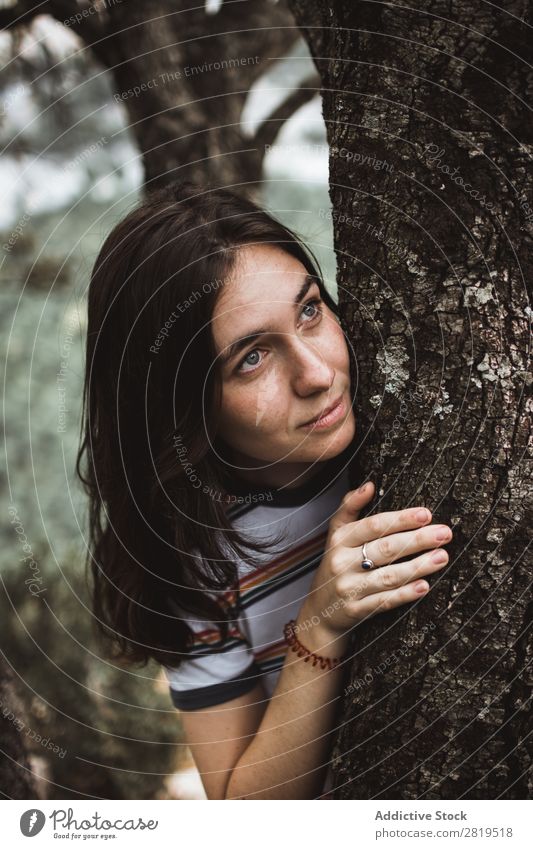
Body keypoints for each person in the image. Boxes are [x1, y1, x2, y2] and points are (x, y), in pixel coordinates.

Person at [76, 180, 452, 800]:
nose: (317, 373)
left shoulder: (414, 425)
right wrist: (318, 626)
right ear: (182, 403)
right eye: (251, 358)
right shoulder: (195, 563)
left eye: (309, 309)